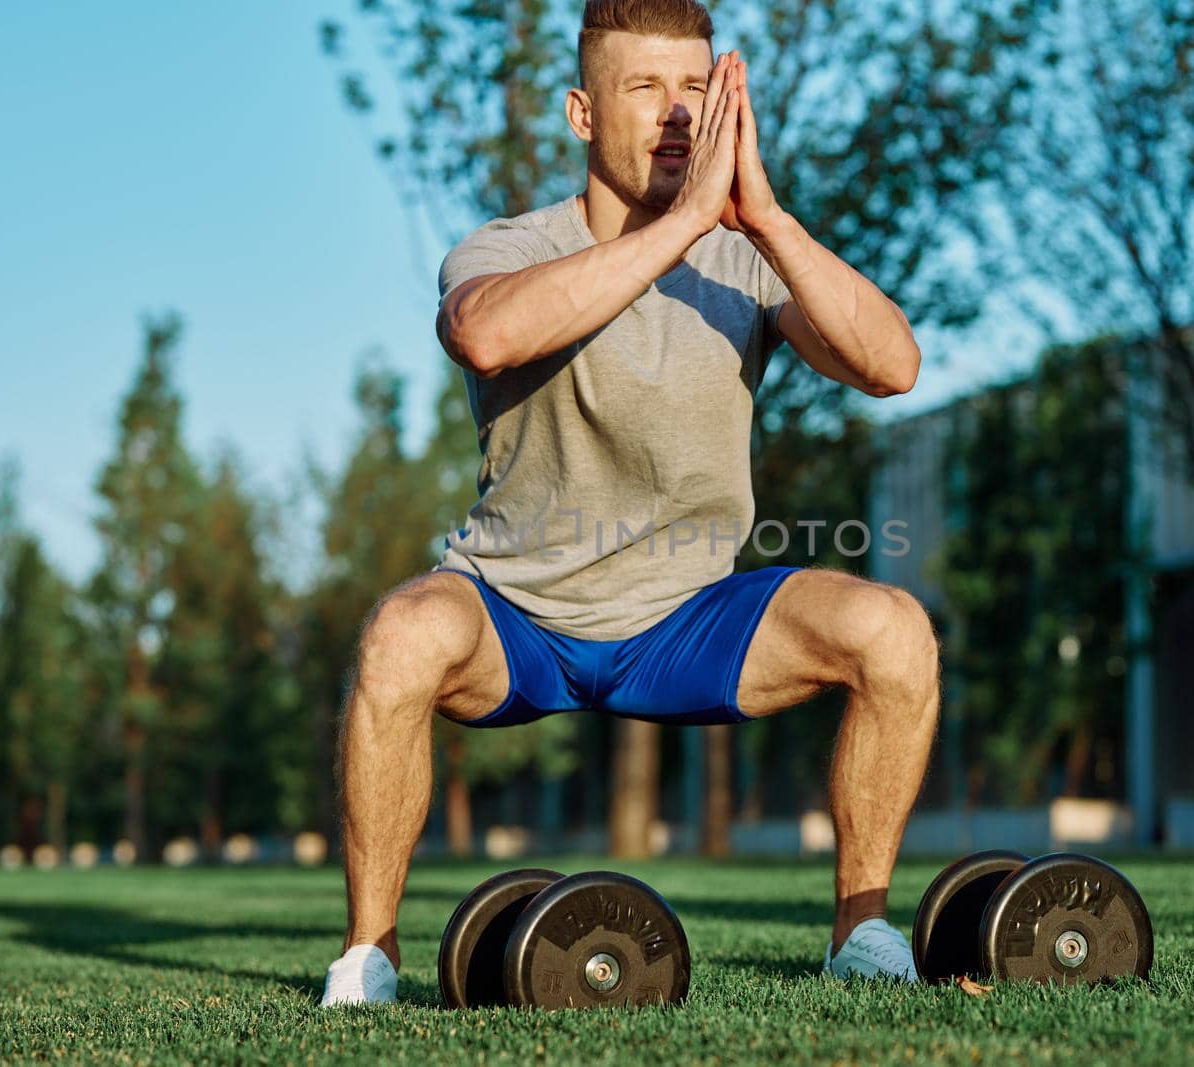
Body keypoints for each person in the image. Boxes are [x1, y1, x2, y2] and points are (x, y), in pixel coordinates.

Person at [320, 0, 938, 1006]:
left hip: (687, 619)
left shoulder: (746, 258)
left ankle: (861, 930)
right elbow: (486, 336)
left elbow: (890, 365)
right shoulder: (508, 245)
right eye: (643, 88)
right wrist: (683, 224)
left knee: (894, 631)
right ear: (579, 112)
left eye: (695, 87)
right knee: (399, 634)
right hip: (518, 614)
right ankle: (369, 955)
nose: (676, 115)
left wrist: (765, 219)